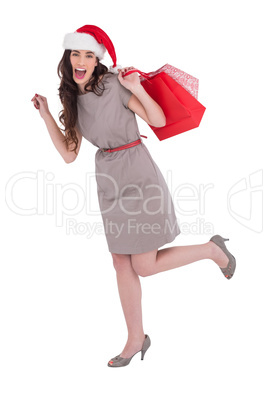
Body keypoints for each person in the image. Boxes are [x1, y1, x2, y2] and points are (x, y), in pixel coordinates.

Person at [31, 25, 236, 368]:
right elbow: (69, 153)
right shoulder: (72, 98)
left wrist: (136, 86)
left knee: (143, 264)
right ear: (68, 60)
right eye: (76, 54)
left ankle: (212, 250)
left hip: (138, 173)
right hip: (109, 181)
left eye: (89, 55)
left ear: (97, 61)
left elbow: (156, 118)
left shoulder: (112, 84)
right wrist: (47, 115)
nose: (81, 61)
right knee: (120, 262)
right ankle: (135, 337)